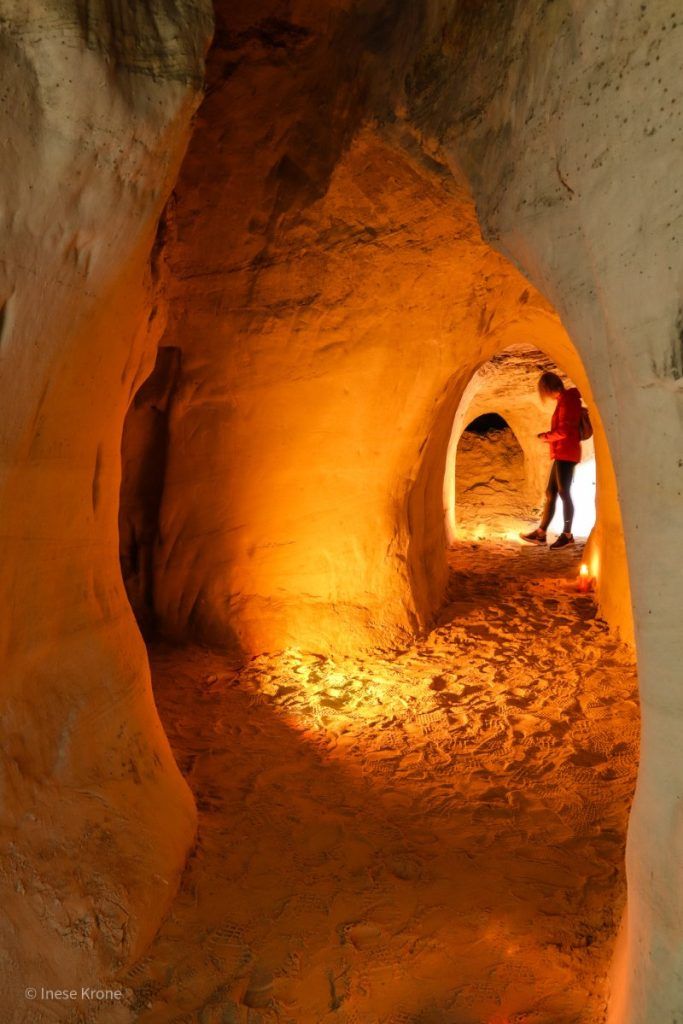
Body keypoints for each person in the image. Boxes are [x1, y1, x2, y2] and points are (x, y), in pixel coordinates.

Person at [520, 371, 582, 549]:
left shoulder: (568, 401)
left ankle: (567, 535)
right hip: (562, 453)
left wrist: (545, 437)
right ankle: (540, 534)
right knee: (551, 493)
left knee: (563, 493)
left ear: (546, 389)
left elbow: (564, 431)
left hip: (567, 453)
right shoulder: (563, 401)